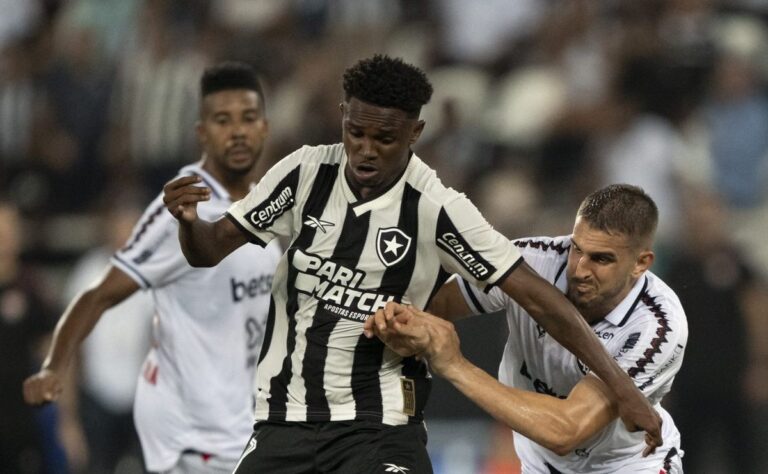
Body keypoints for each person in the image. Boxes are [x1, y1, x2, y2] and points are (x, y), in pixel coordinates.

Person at [162, 55, 662, 474]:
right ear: (342, 115)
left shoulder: (437, 207)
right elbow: (208, 251)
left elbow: (537, 297)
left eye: (385, 139)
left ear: (415, 132)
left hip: (377, 429)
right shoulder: (302, 174)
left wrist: (623, 389)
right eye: (355, 132)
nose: (365, 150)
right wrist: (188, 223)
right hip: (281, 420)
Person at [23, 61, 282, 474]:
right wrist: (55, 365)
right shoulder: (179, 211)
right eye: (222, 120)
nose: (237, 131)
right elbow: (99, 294)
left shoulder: (266, 204)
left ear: (265, 127)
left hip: (251, 428)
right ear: (202, 132)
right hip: (197, 441)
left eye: (248, 119)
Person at [367, 184, 688, 473]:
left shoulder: (657, 326)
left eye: (601, 259)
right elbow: (434, 306)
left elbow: (566, 430)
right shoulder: (531, 263)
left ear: (641, 263)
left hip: (627, 465)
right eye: (577, 248)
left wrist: (454, 365)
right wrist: (404, 326)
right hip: (540, 465)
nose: (579, 270)